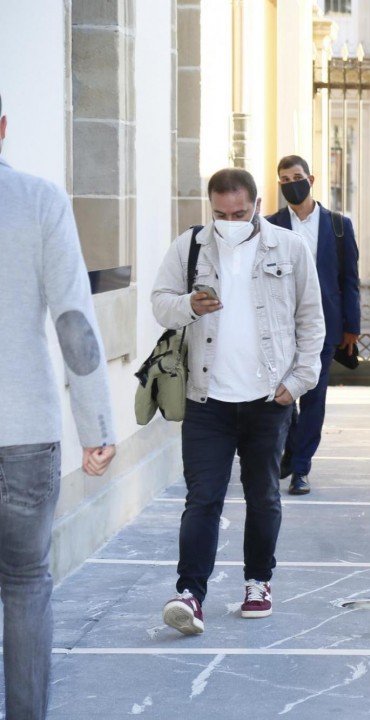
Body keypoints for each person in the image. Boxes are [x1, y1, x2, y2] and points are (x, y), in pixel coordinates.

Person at [152, 168, 325, 635]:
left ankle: (258, 582)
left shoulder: (290, 248)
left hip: (269, 397)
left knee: (263, 495)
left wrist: (300, 380)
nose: (230, 221)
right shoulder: (190, 246)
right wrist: (188, 305)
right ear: (210, 208)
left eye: (239, 213)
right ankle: (190, 594)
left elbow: (312, 319)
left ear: (257, 205)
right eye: (221, 214)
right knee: (202, 498)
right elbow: (160, 302)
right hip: (206, 398)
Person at [0, 91, 116, 720]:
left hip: (25, 435)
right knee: (25, 585)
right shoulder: (40, 200)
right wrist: (96, 425)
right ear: (3, 127)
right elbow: (74, 321)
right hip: (25, 432)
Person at [265, 155, 361, 496]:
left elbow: (349, 279)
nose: (292, 184)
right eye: (285, 179)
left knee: (313, 397)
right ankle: (290, 452)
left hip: (324, 326)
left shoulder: (338, 225)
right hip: (281, 325)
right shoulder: (271, 225)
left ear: (311, 179)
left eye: (297, 177)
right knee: (284, 395)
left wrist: (351, 327)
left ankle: (301, 467)